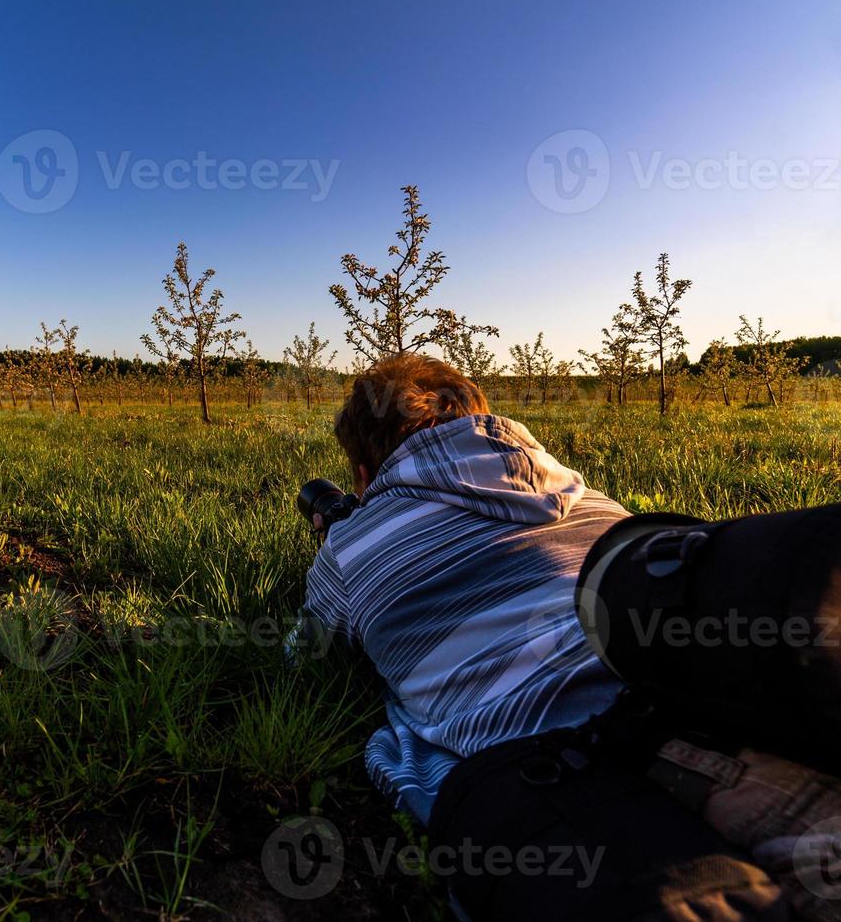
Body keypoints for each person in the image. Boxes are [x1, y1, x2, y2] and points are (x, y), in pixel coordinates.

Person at [297, 353, 841, 920]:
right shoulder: (583, 494)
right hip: (744, 681)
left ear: (363, 472)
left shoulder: (347, 546)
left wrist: (340, 539)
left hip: (584, 763)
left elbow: (307, 655)